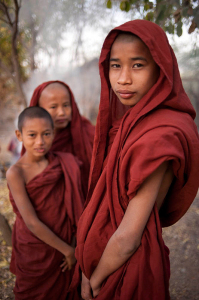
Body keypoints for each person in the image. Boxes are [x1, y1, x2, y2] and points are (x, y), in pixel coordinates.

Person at [72, 20, 199, 300]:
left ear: (161, 68)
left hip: (122, 269)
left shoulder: (161, 133)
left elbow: (128, 238)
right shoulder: (133, 120)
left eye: (138, 65)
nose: (123, 78)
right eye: (115, 65)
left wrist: (94, 277)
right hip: (104, 259)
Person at [6, 107, 83, 300]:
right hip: (35, 248)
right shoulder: (16, 173)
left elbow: (72, 205)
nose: (40, 141)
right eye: (32, 135)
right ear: (19, 135)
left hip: (65, 238)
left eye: (46, 134)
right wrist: (68, 250)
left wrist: (73, 243)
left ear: (53, 133)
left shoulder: (62, 163)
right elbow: (31, 222)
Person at [22, 80, 95, 198]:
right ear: (39, 109)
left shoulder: (89, 134)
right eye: (53, 107)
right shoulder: (34, 140)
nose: (61, 113)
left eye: (66, 105)